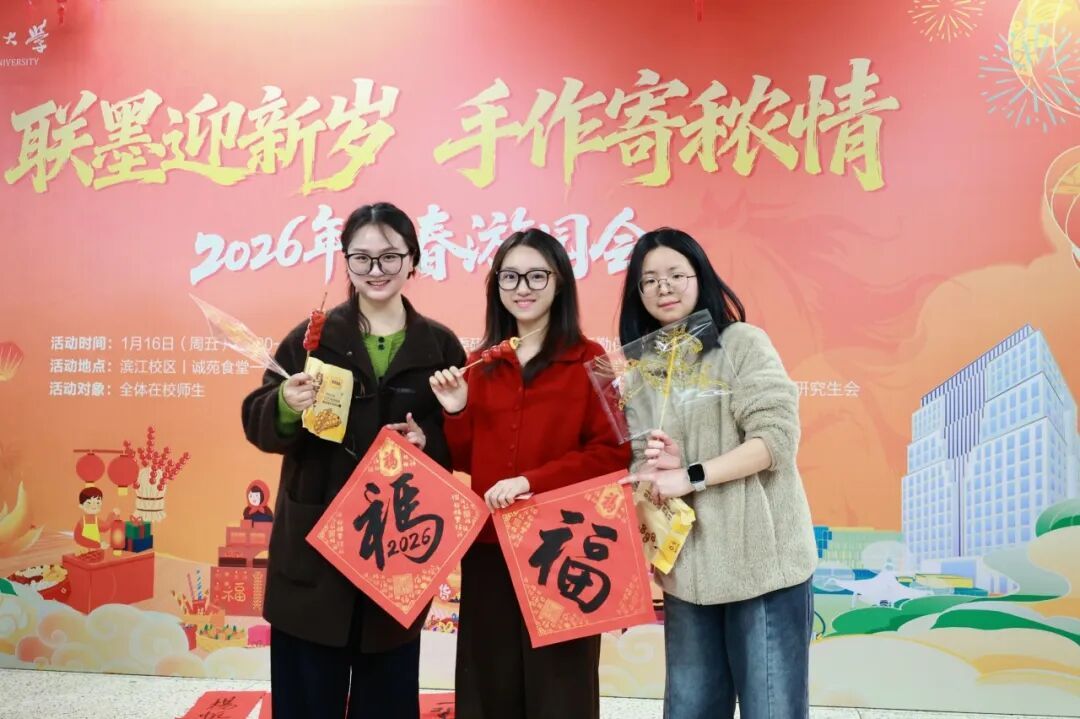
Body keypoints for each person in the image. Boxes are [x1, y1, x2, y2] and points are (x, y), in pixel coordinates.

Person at [241, 202, 466, 719]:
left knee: (385, 700)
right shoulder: (313, 337)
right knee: (306, 702)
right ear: (346, 262)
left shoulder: (440, 345)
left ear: (413, 260)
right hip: (313, 550)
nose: (375, 270)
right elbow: (257, 420)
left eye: (390, 256)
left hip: (394, 551)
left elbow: (462, 438)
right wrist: (285, 404)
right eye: (361, 258)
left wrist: (429, 440)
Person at [428, 228, 630, 719]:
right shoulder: (480, 363)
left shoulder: (592, 359)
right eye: (510, 276)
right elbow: (466, 458)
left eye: (537, 276)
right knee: (489, 685)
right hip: (491, 547)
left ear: (559, 283)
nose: (523, 287)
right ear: (496, 285)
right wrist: (456, 410)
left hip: (564, 548)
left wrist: (531, 483)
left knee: (561, 688)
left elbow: (612, 454)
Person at [618, 228, 818, 719]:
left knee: (771, 710)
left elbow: (775, 441)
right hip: (687, 571)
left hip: (762, 565)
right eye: (650, 280)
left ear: (700, 277)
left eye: (676, 274)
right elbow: (642, 459)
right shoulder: (642, 371)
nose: (664, 288)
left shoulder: (742, 342)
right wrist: (653, 467)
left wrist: (690, 474)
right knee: (690, 709)